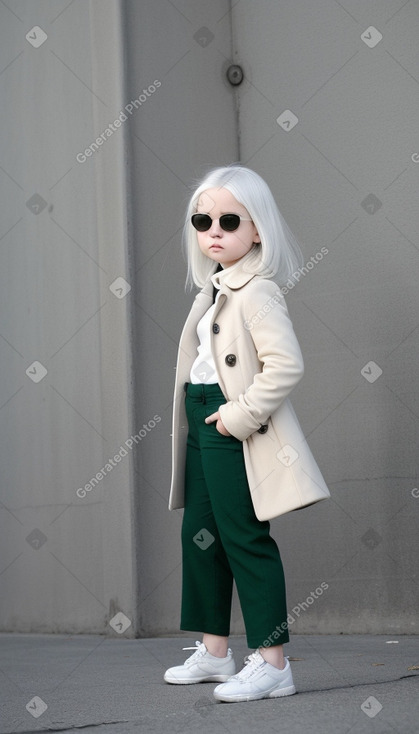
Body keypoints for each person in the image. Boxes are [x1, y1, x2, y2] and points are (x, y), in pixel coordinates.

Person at [164, 164, 329, 703]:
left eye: (229, 220)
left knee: (243, 538)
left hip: (231, 423)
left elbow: (285, 364)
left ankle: (273, 662)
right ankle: (215, 652)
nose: (213, 230)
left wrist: (240, 415)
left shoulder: (256, 291)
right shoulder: (213, 289)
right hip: (200, 415)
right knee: (201, 536)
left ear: (257, 228)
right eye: (203, 219)